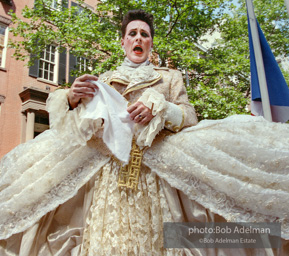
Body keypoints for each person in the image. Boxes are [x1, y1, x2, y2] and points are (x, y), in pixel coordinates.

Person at [0, 9, 289, 256]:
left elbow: (189, 116)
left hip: (158, 174)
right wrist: (72, 99)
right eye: (133, 33)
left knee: (167, 239)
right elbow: (83, 131)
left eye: (145, 34)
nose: (139, 38)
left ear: (150, 43)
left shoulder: (170, 77)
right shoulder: (102, 80)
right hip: (109, 175)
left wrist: (161, 108)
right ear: (123, 41)